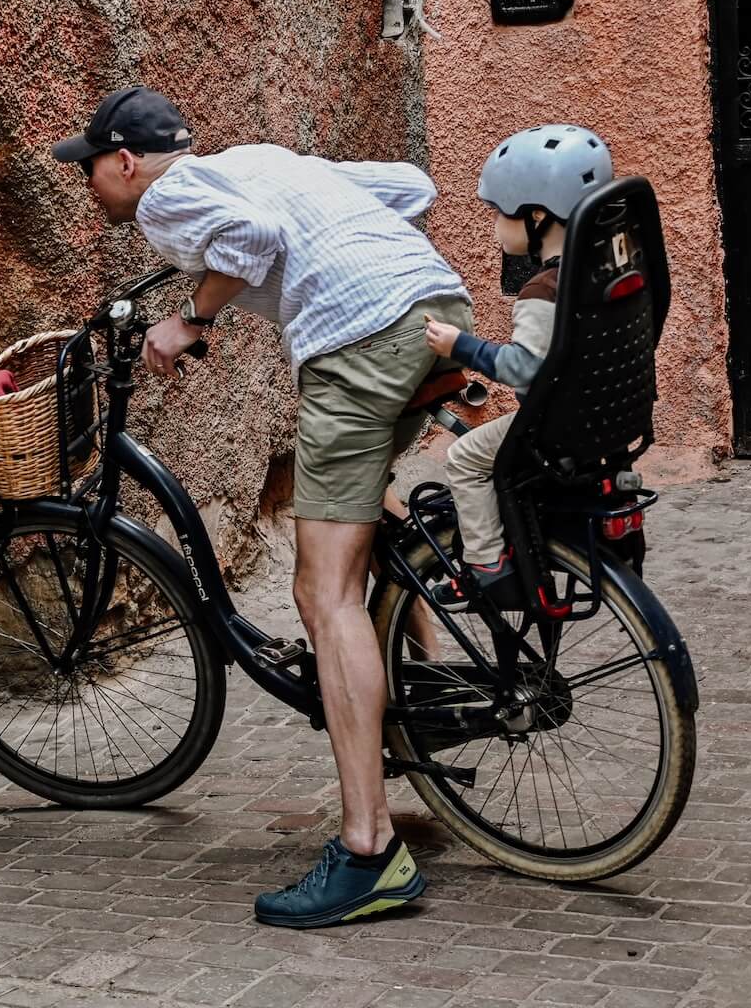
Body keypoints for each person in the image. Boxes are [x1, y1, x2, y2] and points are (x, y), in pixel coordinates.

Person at [53, 86, 473, 929]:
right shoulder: (258, 162)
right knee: (367, 515)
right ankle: (422, 696)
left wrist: (189, 320)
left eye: (90, 169)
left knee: (323, 594)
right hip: (436, 310)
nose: (89, 183)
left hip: (360, 340)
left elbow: (255, 239)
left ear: (125, 161)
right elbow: (410, 187)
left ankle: (367, 851)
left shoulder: (164, 202)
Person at [423, 124, 613, 605]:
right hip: (605, 415)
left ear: (535, 216)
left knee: (464, 458)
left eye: (499, 213)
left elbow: (524, 368)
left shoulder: (543, 291)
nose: (494, 225)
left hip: (552, 425)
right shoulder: (606, 268)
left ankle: (485, 565)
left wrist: (459, 345)